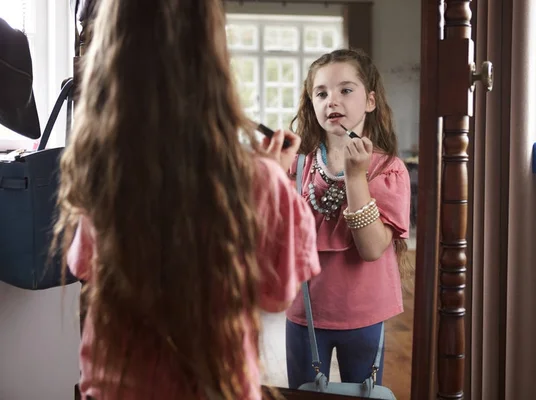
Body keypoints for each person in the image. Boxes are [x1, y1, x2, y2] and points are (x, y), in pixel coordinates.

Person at [52, 0, 320, 398]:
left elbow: (84, 265)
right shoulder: (256, 182)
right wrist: (272, 179)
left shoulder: (104, 174)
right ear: (212, 61)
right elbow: (277, 292)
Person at [285, 48, 412, 389]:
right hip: (304, 315)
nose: (332, 101)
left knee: (364, 391)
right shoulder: (296, 166)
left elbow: (372, 248)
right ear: (311, 103)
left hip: (364, 314)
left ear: (370, 101)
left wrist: (356, 177)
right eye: (321, 93)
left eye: (345, 89)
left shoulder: (388, 170)